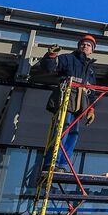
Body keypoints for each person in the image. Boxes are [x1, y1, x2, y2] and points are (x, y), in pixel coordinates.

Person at [33, 34, 99, 170]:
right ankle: (52, 162)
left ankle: (62, 164)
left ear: (92, 50)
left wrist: (91, 109)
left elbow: (92, 92)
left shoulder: (90, 70)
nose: (85, 46)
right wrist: (51, 55)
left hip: (80, 104)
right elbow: (49, 67)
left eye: (88, 45)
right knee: (62, 129)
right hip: (66, 99)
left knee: (73, 134)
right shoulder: (68, 59)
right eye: (83, 44)